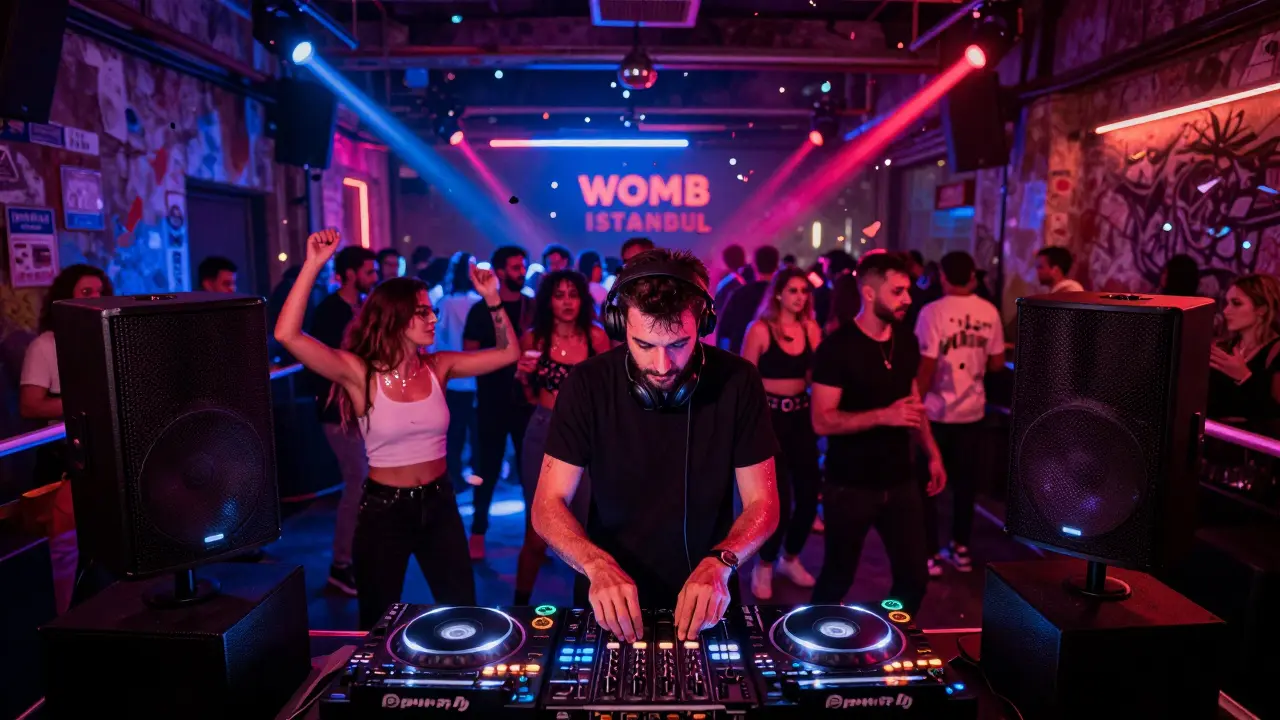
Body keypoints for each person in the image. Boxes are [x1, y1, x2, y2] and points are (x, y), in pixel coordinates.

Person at [275, 228, 520, 629]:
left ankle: (463, 686)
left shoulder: (439, 366)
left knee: (463, 612)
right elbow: (287, 334)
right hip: (383, 510)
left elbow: (509, 352)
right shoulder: (360, 373)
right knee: (377, 621)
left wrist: (493, 299)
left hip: (440, 503)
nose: (432, 317)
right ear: (395, 317)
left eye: (431, 309)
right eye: (422, 311)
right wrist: (314, 265)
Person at [532, 249, 780, 642]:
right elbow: (547, 505)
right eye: (644, 345)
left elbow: (763, 504)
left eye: (679, 344)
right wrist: (595, 564)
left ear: (703, 322)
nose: (663, 366)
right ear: (619, 324)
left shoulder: (739, 381)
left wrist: (722, 561)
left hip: (709, 596)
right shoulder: (586, 384)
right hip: (609, 596)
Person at [810, 252, 946, 613]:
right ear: (869, 294)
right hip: (849, 485)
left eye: (908, 290)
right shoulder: (836, 349)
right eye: (898, 291)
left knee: (914, 578)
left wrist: (932, 452)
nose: (908, 299)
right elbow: (822, 421)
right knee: (837, 578)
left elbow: (912, 402)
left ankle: (890, 634)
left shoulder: (906, 341)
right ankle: (820, 651)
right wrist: (883, 416)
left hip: (901, 482)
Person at [20, 264, 113, 613]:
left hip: (103, 454)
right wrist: (85, 403)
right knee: (65, 553)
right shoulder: (45, 345)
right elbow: (30, 404)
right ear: (65, 299)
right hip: (63, 461)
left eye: (100, 291)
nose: (95, 298)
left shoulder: (106, 340)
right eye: (85, 292)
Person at [514, 270, 610, 605]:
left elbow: (608, 391)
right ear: (548, 301)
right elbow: (526, 394)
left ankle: (584, 615)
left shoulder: (596, 337)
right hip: (543, 428)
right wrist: (522, 378)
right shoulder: (534, 339)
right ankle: (520, 608)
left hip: (585, 433)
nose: (567, 302)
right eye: (559, 295)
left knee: (583, 529)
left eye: (573, 294)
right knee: (537, 527)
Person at [914, 251, 1005, 574]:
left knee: (929, 486)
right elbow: (996, 363)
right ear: (971, 276)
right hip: (973, 412)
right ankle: (961, 547)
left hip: (937, 412)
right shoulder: (989, 312)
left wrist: (915, 404)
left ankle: (929, 554)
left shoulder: (931, 312)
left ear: (942, 277)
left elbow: (926, 365)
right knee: (965, 486)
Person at [741, 267, 822, 600]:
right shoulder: (760, 329)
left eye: (804, 290)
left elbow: (818, 376)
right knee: (778, 501)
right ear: (778, 294)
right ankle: (765, 563)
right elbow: (745, 380)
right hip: (771, 419)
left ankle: (791, 557)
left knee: (809, 497)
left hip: (801, 418)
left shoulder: (810, 328)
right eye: (793, 290)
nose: (800, 297)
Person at [307, 245, 378, 595]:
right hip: (339, 412)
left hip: (364, 409)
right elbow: (321, 363)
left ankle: (355, 558)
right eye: (368, 271)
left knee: (364, 482)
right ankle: (341, 564)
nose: (374, 277)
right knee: (358, 481)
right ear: (349, 273)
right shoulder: (329, 311)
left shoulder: (364, 307)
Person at [464, 246, 536, 559]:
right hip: (492, 402)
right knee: (487, 469)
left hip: (528, 402)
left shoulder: (532, 306)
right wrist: (506, 363)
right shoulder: (480, 310)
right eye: (515, 267)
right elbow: (468, 356)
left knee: (532, 473)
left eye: (523, 266)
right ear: (500, 271)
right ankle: (478, 532)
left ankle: (537, 539)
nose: (522, 271)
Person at [431, 252, 483, 493]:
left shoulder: (445, 303)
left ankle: (455, 475)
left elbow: (436, 340)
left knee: (456, 432)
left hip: (455, 378)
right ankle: (479, 473)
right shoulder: (478, 302)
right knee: (477, 431)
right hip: (478, 375)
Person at [1208, 274, 1280, 422]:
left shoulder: (1276, 352)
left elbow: (1273, 413)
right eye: (1227, 303)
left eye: (1236, 303)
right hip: (1215, 440)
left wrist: (1244, 377)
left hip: (1253, 443)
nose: (1226, 311)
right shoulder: (1224, 347)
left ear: (1262, 309)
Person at [719, 245, 781, 354]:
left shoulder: (739, 294)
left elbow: (724, 331)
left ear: (754, 265)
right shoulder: (782, 295)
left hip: (740, 358)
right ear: (777, 265)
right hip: (774, 358)